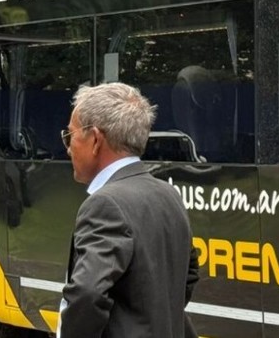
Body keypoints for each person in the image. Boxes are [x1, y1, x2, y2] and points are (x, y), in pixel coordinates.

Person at [59, 82, 199, 338]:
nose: (68, 148)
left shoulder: (105, 204)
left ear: (95, 140)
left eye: (71, 135)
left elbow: (87, 293)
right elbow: (188, 276)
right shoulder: (169, 194)